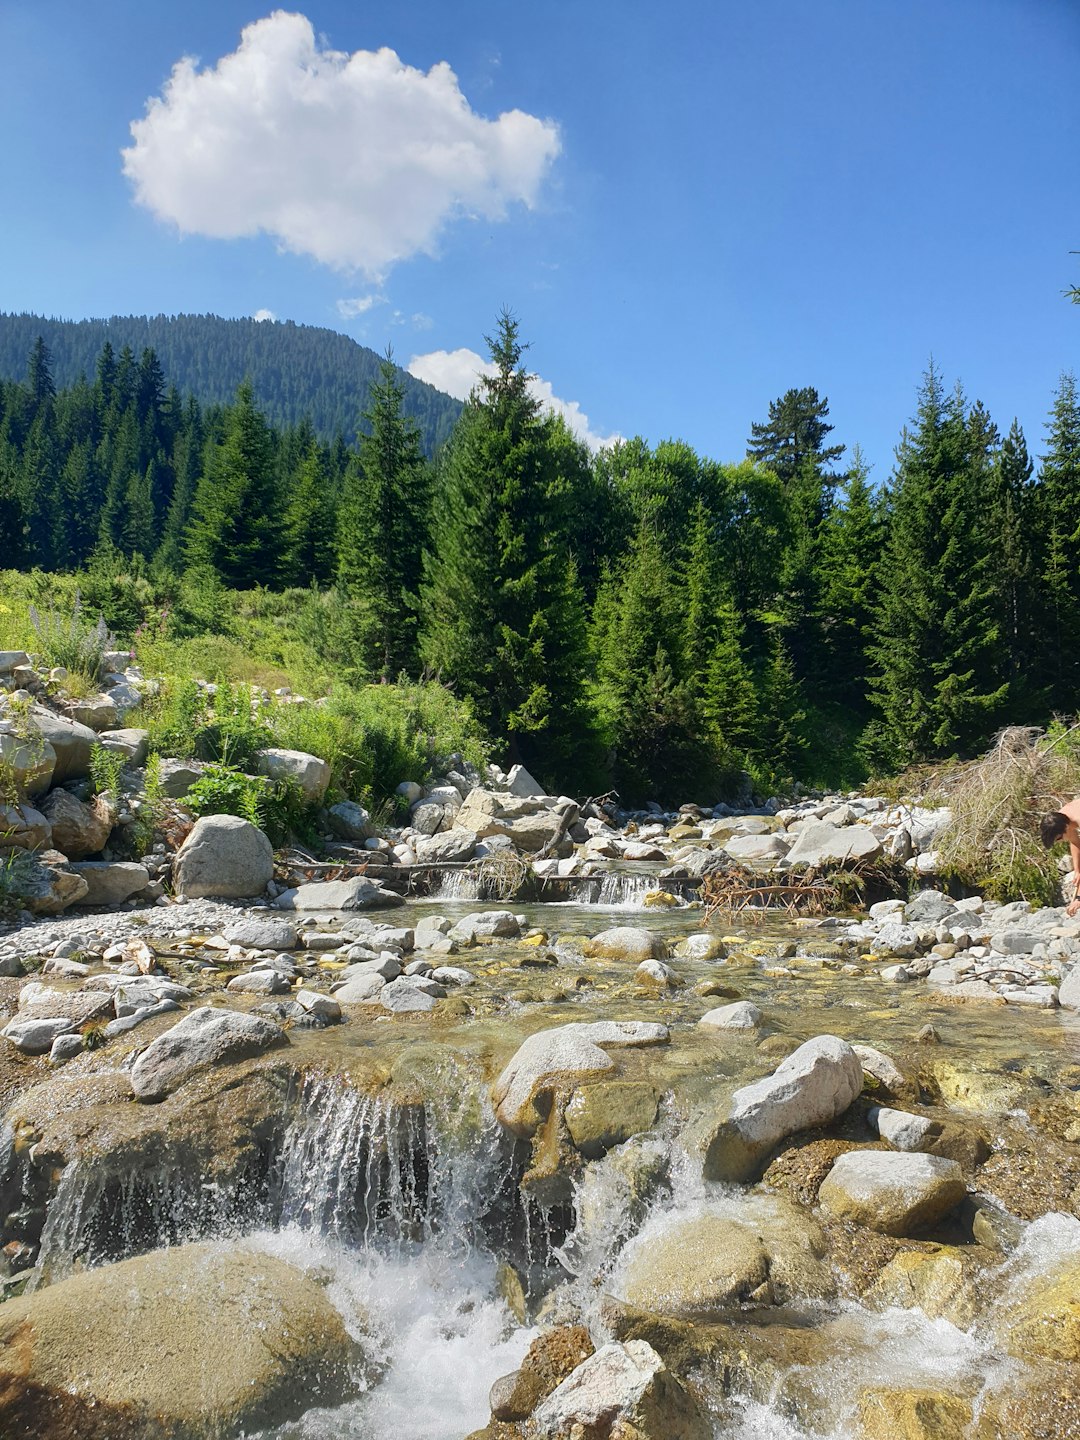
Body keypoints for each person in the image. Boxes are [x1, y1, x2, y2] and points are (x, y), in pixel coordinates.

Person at [1040, 798, 1080, 916]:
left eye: (1059, 838)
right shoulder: (1061, 818)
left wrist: (1078, 898)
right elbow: (1075, 843)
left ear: (1066, 829)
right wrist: (1077, 870)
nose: (1059, 842)